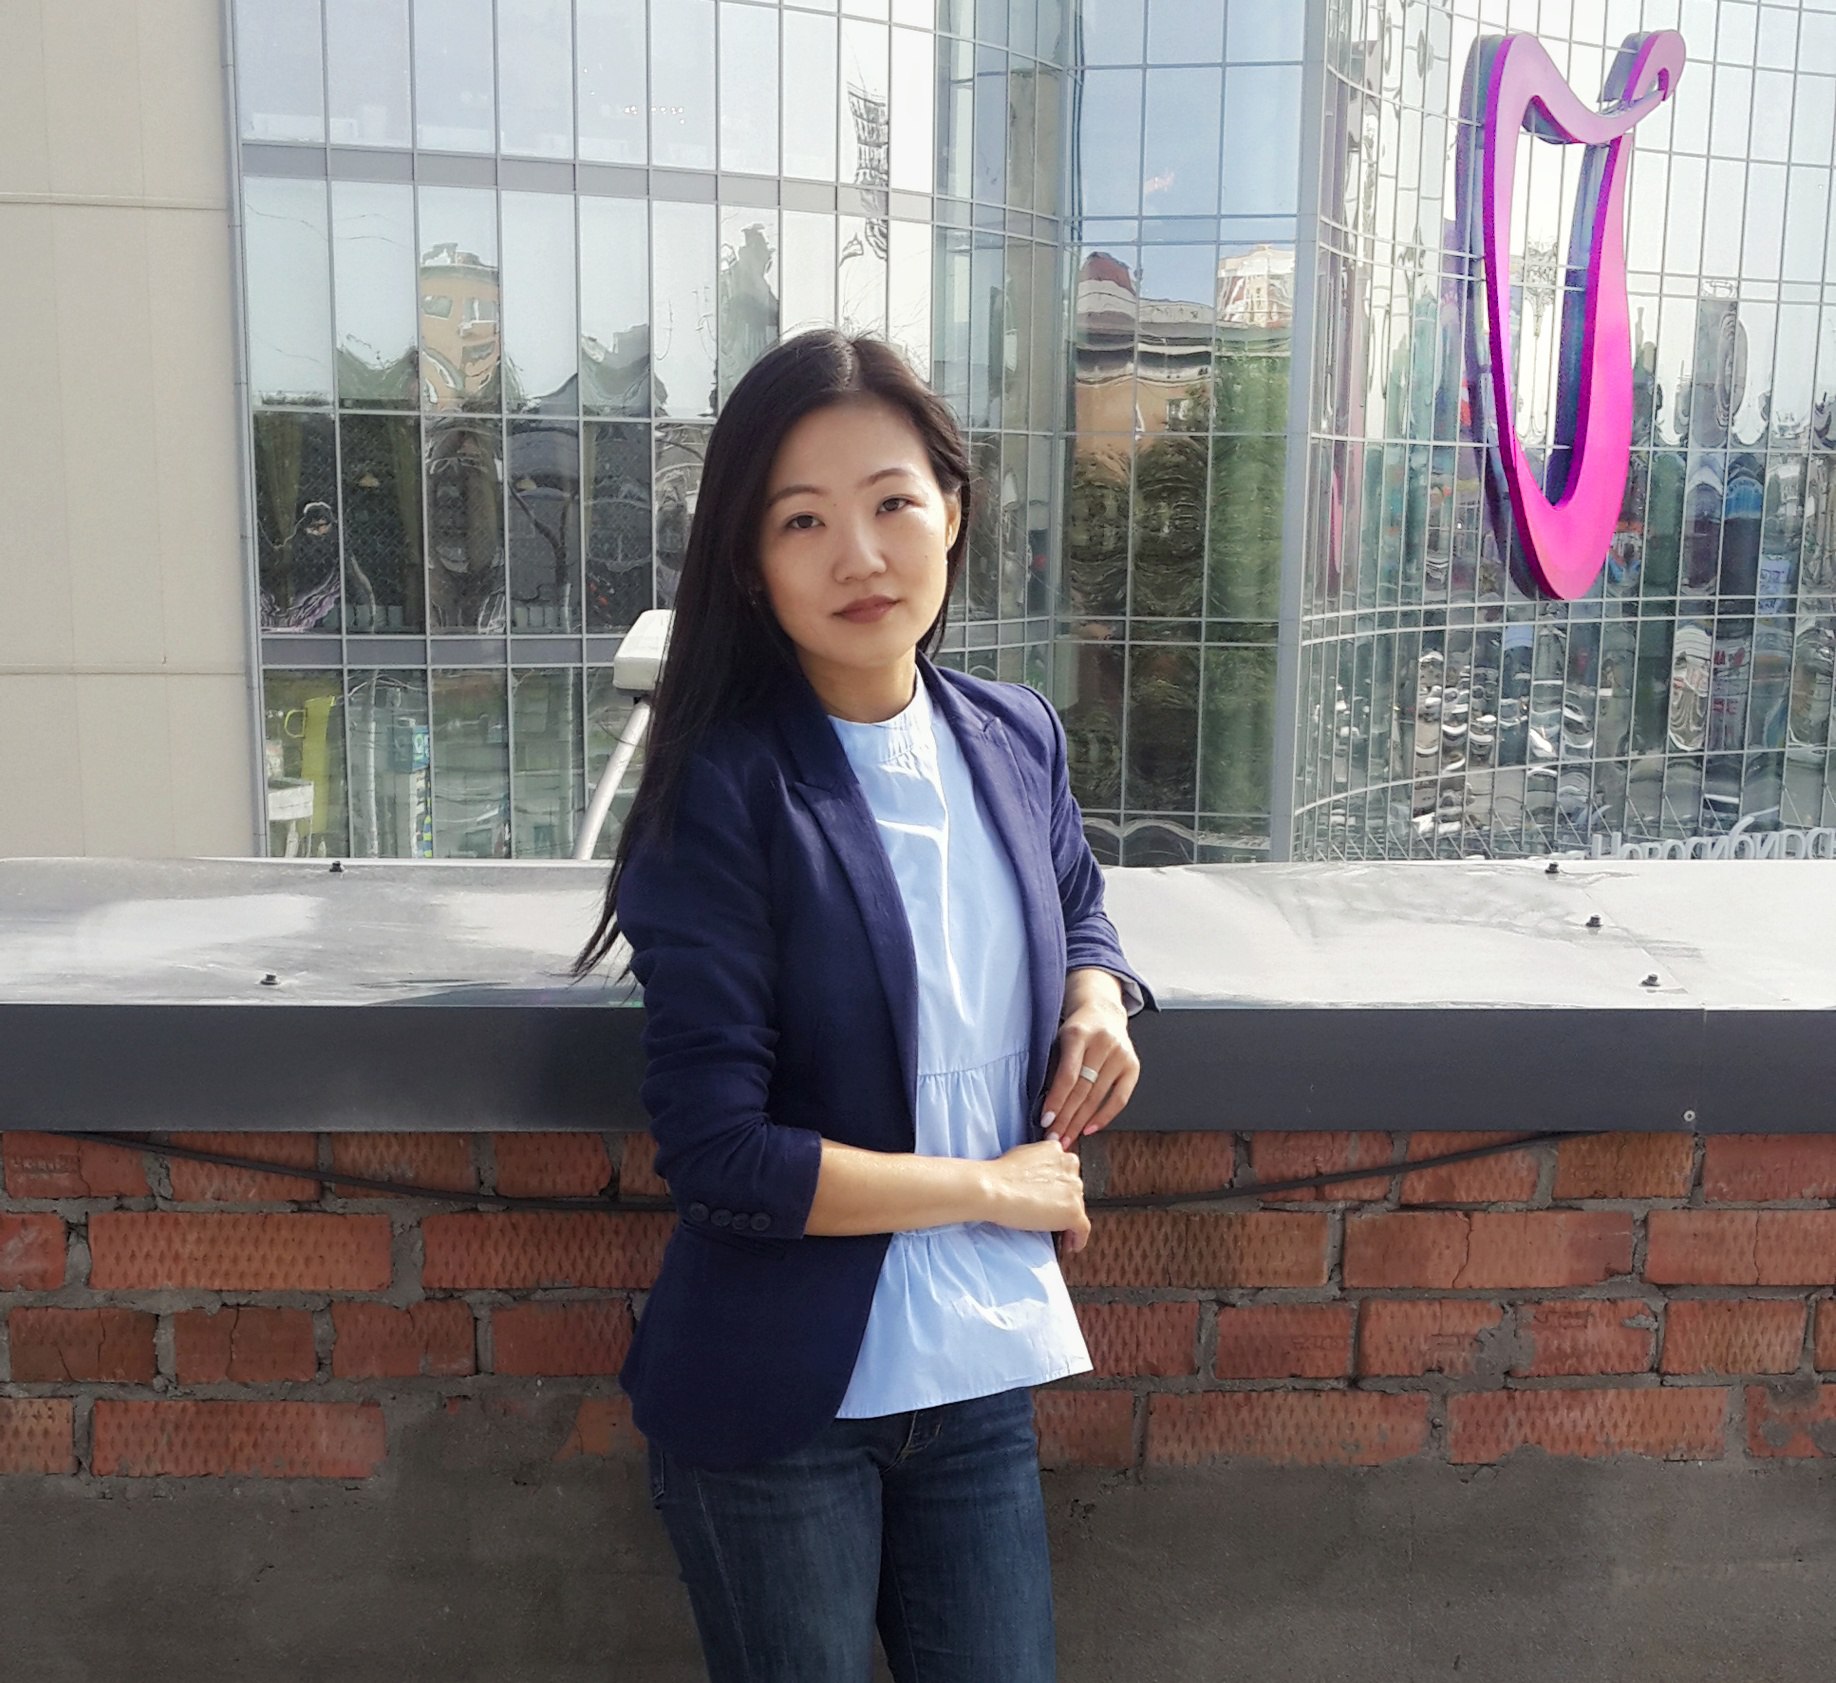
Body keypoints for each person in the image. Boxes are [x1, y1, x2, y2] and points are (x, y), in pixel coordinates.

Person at [574, 329, 1152, 1683]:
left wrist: (1100, 993)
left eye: (893, 502)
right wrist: (994, 1188)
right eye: (803, 521)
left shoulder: (1013, 734)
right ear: (750, 562)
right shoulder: (722, 795)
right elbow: (722, 1155)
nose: (860, 556)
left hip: (974, 1373)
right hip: (781, 1408)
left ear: (952, 510)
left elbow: (1076, 895)